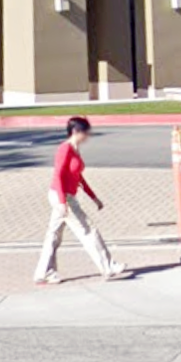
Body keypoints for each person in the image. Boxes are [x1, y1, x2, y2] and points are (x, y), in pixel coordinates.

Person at [33, 115, 128, 284]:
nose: (88, 136)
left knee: (54, 235)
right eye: (86, 132)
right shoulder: (65, 149)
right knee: (88, 230)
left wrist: (93, 197)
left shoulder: (75, 150)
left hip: (65, 195)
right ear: (76, 131)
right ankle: (107, 266)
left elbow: (78, 177)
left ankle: (44, 272)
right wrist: (62, 202)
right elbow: (58, 176)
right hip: (62, 196)